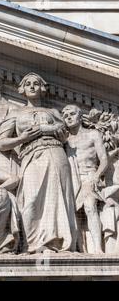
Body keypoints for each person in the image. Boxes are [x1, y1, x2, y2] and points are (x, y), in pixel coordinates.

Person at [0, 72, 77, 253]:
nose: (32, 86)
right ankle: (33, 244)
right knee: (31, 200)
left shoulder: (54, 112)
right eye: (28, 84)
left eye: (36, 83)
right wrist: (22, 138)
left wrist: (54, 130)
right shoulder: (16, 113)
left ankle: (56, 242)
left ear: (42, 88)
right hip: (31, 156)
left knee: (57, 198)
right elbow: (2, 143)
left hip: (55, 154)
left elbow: (64, 133)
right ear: (22, 89)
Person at [62, 104, 109, 254]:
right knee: (73, 214)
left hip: (89, 176)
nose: (68, 117)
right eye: (65, 115)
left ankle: (98, 248)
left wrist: (96, 176)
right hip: (72, 180)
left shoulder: (92, 134)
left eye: (72, 114)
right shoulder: (65, 140)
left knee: (89, 206)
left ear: (80, 116)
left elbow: (104, 160)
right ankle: (80, 248)